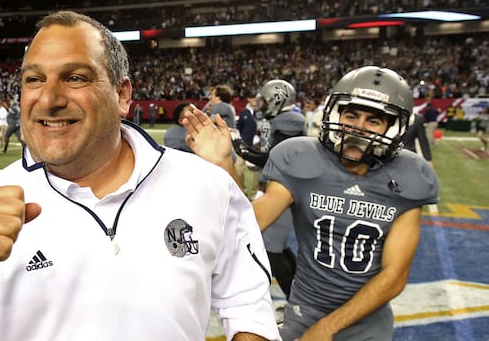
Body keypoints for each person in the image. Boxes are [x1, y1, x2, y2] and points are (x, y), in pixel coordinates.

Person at [0, 10, 280, 341]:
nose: (49, 99)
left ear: (123, 94)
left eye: (75, 77)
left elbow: (248, 306)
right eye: (33, 79)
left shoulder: (206, 185)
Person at [184, 66, 439, 340]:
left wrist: (327, 328)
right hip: (304, 312)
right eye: (351, 115)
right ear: (334, 112)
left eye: (373, 121)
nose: (357, 127)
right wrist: (224, 163)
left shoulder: (409, 176)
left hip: (367, 325)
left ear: (394, 127)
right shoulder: (302, 158)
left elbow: (394, 276)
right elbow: (250, 221)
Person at [232, 79, 306, 301]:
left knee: (272, 249)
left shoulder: (289, 121)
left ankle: (295, 301)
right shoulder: (279, 120)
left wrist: (241, 150)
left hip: (286, 189)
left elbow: (274, 156)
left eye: (264, 100)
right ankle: (297, 297)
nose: (260, 104)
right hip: (280, 186)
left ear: (277, 99)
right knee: (278, 246)